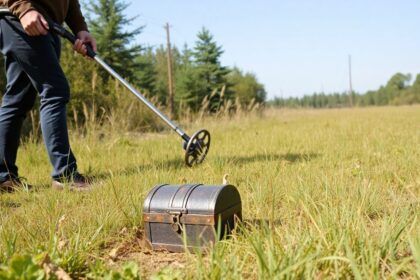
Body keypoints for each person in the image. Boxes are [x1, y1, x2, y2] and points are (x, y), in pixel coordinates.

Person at [0, 0, 96, 192]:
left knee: (18, 99)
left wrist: (80, 29)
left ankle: (4, 178)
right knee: (55, 90)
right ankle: (65, 175)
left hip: (47, 25)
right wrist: (23, 7)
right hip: (21, 18)